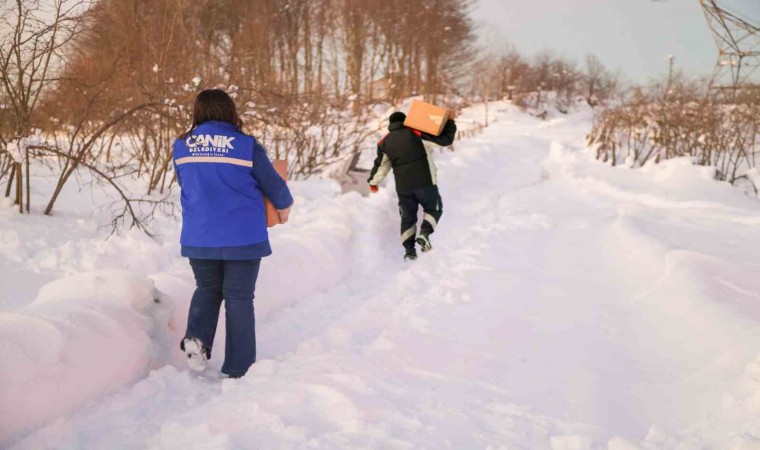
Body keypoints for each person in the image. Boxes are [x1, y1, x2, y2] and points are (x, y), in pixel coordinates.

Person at [173, 89, 293, 378]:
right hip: (243, 237)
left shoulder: (182, 146)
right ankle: (239, 367)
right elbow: (272, 183)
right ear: (230, 111)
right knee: (239, 297)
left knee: (207, 288)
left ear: (198, 112)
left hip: (199, 236)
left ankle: (197, 338)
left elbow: (184, 181)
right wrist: (284, 205)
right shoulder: (245, 145)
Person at [368, 111, 457, 261]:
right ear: (406, 121)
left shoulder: (384, 143)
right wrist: (450, 122)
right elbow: (445, 140)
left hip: (404, 187)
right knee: (434, 208)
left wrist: (373, 183)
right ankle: (425, 234)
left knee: (408, 217)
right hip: (425, 182)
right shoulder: (416, 132)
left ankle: (409, 252)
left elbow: (381, 166)